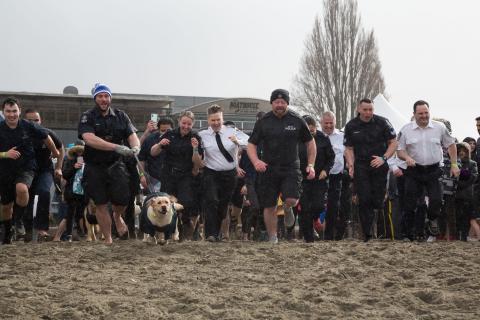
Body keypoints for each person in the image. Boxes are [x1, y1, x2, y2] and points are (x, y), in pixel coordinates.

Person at [247, 89, 316, 244]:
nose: (279, 105)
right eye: (276, 102)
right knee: (269, 205)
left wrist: (311, 165)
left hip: (291, 167)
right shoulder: (263, 121)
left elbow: (310, 143)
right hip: (268, 168)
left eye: (283, 102)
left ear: (287, 103)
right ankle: (273, 237)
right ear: (272, 103)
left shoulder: (297, 120)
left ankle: (287, 208)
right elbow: (251, 144)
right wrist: (256, 161)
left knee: (291, 199)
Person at [78, 83, 140, 244]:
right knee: (100, 203)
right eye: (100, 96)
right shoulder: (88, 116)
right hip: (94, 165)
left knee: (123, 199)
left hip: (116, 164)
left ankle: (117, 216)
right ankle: (108, 239)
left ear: (110, 98)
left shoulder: (121, 115)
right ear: (95, 98)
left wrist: (136, 147)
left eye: (106, 96)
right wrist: (116, 147)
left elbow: (132, 134)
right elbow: (89, 139)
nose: (103, 99)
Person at [397, 100, 459, 242]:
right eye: (420, 113)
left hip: (434, 169)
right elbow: (399, 150)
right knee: (411, 203)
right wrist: (407, 157)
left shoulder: (440, 127)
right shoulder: (406, 129)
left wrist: (454, 164)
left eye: (426, 113)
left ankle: (432, 219)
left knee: (436, 200)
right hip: (414, 170)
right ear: (414, 114)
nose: (424, 116)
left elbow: (451, 145)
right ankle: (409, 233)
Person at [0, 97, 60, 244]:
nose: (11, 114)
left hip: (26, 167)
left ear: (19, 111)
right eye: (8, 111)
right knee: (6, 206)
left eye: (14, 111)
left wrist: (55, 152)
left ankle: (17, 220)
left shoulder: (28, 125)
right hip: (5, 169)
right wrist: (5, 154)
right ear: (3, 112)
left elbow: (47, 137)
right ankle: (8, 231)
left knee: (22, 189)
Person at [344, 98, 397, 242]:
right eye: (365, 110)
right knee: (364, 199)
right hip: (361, 165)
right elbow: (348, 149)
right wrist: (351, 165)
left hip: (379, 164)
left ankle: (373, 220)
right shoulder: (351, 125)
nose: (368, 113)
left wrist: (384, 158)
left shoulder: (383, 122)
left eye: (371, 110)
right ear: (359, 110)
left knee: (377, 201)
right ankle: (367, 234)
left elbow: (393, 142)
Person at [198, 105, 248, 242]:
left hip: (229, 174)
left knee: (223, 204)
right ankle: (210, 234)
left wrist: (238, 141)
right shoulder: (202, 135)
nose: (216, 123)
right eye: (213, 120)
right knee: (211, 201)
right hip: (211, 172)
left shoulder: (232, 131)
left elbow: (250, 142)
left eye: (218, 120)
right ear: (208, 120)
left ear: (222, 118)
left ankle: (218, 232)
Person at [150, 111, 203, 240]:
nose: (186, 126)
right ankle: (169, 232)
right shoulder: (170, 134)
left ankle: (184, 226)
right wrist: (160, 144)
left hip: (186, 174)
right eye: (184, 123)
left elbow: (198, 162)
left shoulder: (195, 137)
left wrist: (195, 148)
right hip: (169, 174)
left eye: (189, 124)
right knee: (168, 203)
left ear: (193, 124)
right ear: (179, 122)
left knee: (186, 202)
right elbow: (153, 153)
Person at [22, 109, 64, 241]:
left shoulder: (48, 133)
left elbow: (61, 148)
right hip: (27, 170)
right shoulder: (21, 134)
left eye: (36, 120)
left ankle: (42, 229)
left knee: (44, 192)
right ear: (25, 121)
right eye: (30, 120)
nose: (34, 122)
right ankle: (26, 229)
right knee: (25, 196)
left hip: (45, 170)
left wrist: (58, 167)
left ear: (41, 121)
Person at [299, 115, 334, 242]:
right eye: (307, 131)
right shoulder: (296, 139)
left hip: (319, 178)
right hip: (302, 179)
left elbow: (331, 157)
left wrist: (326, 170)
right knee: (305, 208)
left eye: (312, 131)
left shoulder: (323, 139)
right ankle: (308, 238)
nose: (310, 134)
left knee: (318, 206)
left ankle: (315, 219)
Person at [320, 111, 347, 240]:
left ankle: (330, 235)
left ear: (335, 123)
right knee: (317, 204)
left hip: (337, 175)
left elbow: (348, 153)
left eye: (331, 123)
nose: (329, 126)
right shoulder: (316, 137)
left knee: (334, 205)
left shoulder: (342, 137)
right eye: (326, 123)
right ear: (321, 123)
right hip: (319, 176)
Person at [138, 117, 174, 192]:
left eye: (168, 130)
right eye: (163, 131)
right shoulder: (150, 139)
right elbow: (141, 159)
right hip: (153, 178)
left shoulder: (177, 139)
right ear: (158, 129)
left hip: (172, 179)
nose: (165, 133)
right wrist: (142, 175)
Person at [454, 142, 478, 241]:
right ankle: (458, 235)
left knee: (467, 216)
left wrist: (461, 183)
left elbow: (474, 177)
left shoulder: (472, 163)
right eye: (459, 150)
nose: (461, 152)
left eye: (464, 150)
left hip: (468, 194)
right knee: (457, 215)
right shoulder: (454, 163)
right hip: (455, 194)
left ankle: (464, 235)